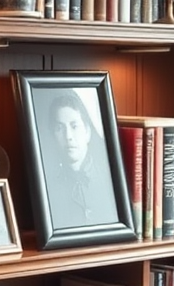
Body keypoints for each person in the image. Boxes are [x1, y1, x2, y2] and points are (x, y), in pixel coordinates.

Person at [41, 89, 117, 229]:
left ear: (87, 132)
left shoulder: (109, 179)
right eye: (60, 128)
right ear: (53, 136)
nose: (68, 136)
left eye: (74, 126)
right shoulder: (47, 186)